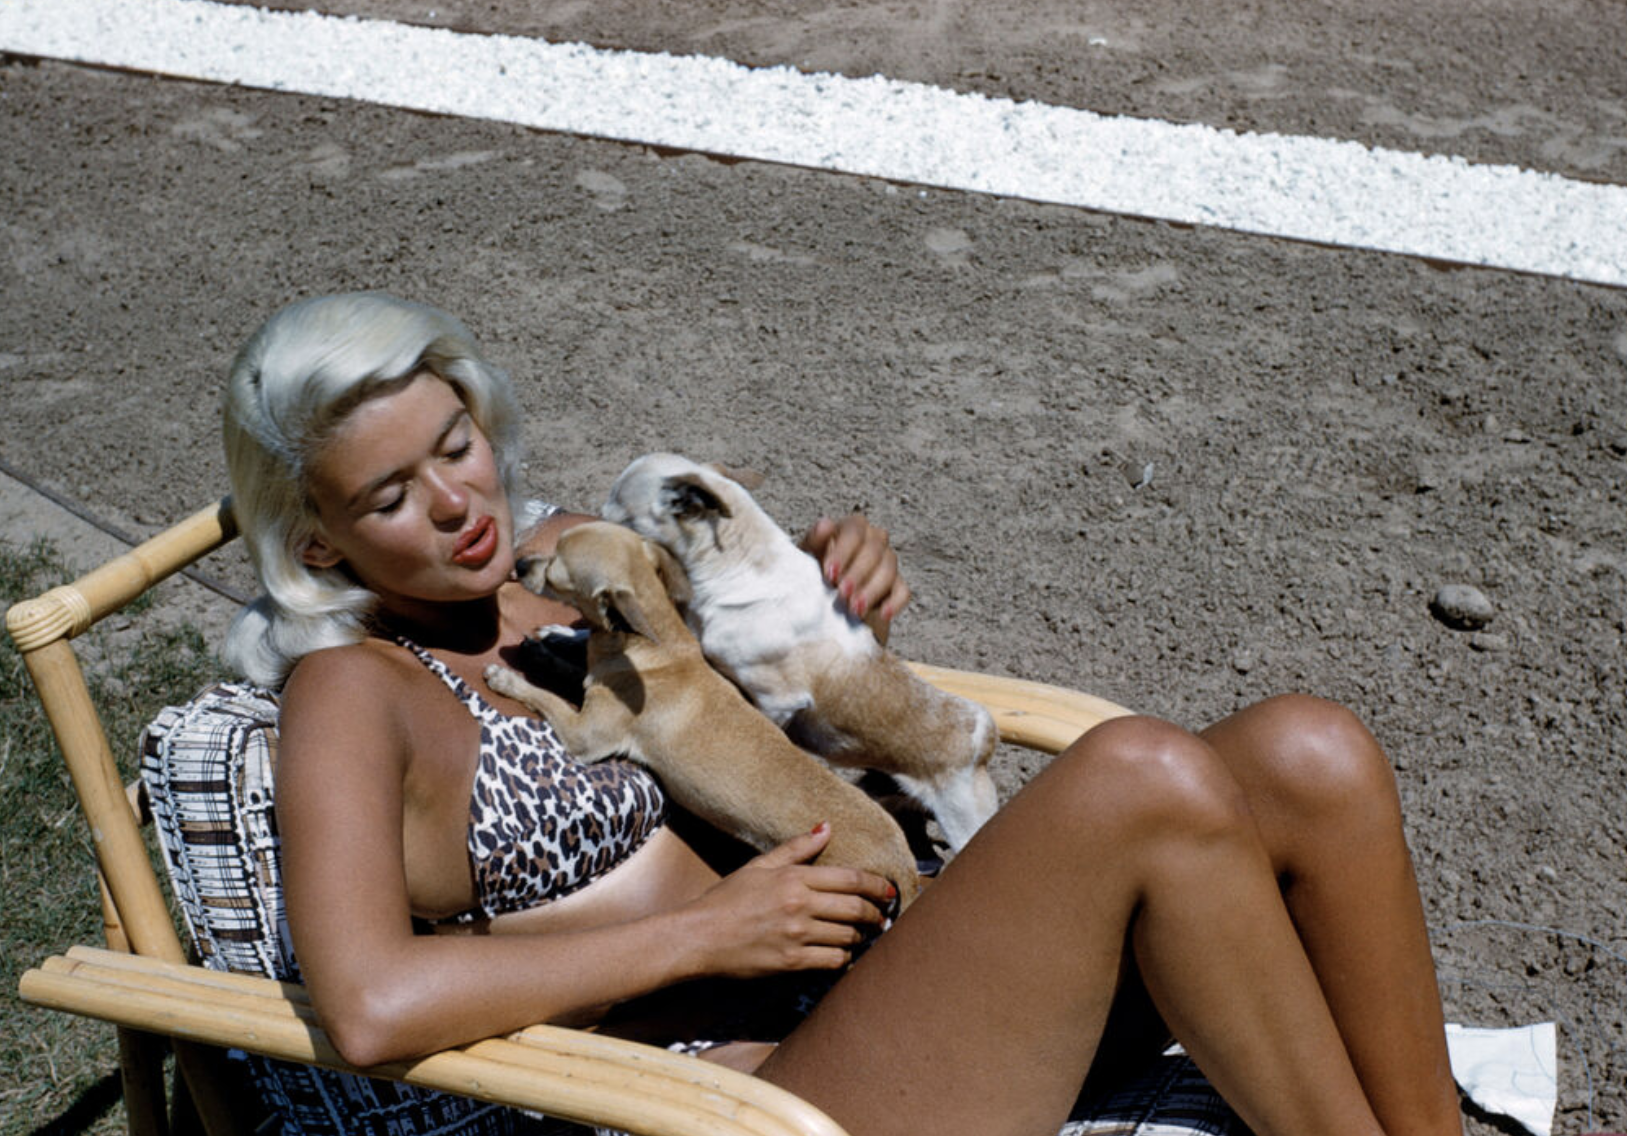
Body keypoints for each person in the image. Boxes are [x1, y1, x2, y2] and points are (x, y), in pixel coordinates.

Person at [221, 291, 1464, 1136]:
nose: (456, 500)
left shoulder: (570, 561)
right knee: (1136, 774)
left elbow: (773, 705)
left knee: (1312, 749)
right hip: (725, 1096)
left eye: (457, 442)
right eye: (393, 493)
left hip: (882, 972)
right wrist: (707, 936)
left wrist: (839, 585)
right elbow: (370, 1001)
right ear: (320, 545)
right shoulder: (352, 691)